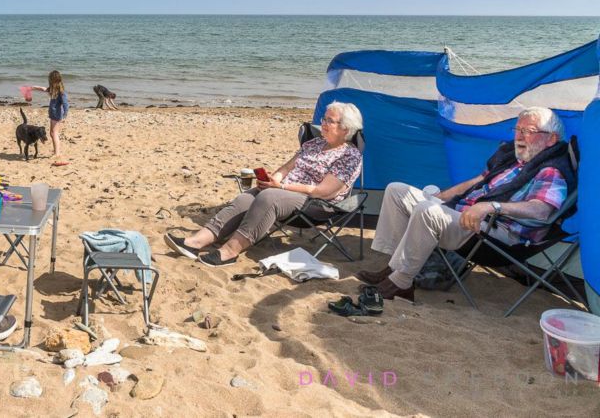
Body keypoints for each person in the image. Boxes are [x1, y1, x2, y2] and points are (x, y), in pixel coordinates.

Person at [356, 106, 573, 301]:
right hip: (465, 214)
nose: (519, 136)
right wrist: (443, 197)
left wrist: (492, 207)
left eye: (529, 131)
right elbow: (479, 181)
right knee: (397, 191)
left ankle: (402, 283)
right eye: (518, 129)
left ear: (551, 139)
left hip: (495, 233)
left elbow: (542, 210)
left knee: (427, 211)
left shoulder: (550, 170)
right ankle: (394, 267)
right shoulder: (511, 160)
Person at [165, 101, 364, 267]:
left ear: (345, 128)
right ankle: (195, 242)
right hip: (286, 193)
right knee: (248, 196)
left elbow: (322, 191)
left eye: (330, 121)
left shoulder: (349, 155)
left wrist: (281, 187)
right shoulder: (314, 144)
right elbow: (286, 168)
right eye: (324, 119)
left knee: (269, 197)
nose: (324, 124)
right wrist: (273, 179)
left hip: (317, 205)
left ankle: (230, 251)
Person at [33, 70, 69, 167]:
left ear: (53, 80)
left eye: (50, 79)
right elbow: (43, 89)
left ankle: (57, 153)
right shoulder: (53, 90)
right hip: (53, 114)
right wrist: (34, 87)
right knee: (52, 133)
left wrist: (65, 114)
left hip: (57, 114)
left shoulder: (61, 92)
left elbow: (66, 104)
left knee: (54, 133)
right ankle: (56, 152)